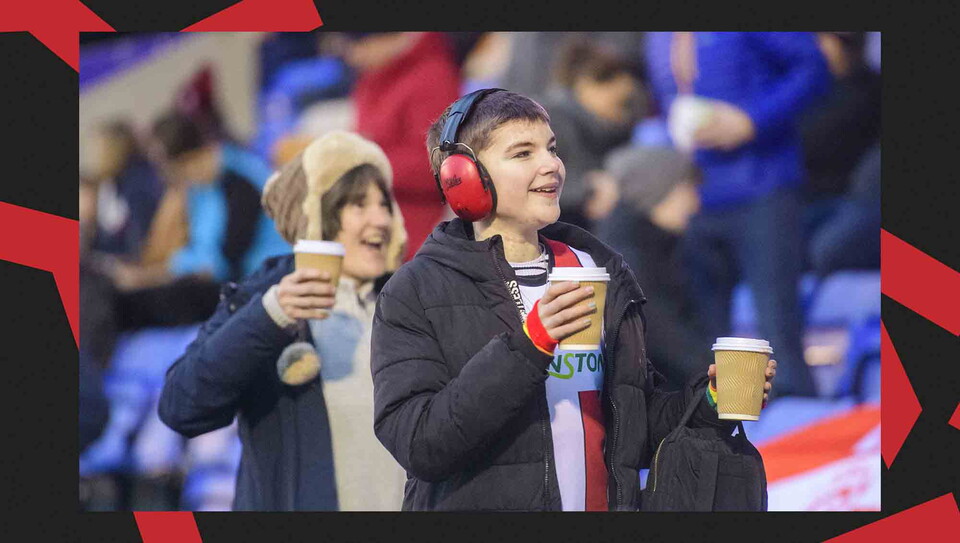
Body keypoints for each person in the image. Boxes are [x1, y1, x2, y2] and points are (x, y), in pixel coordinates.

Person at [371, 89, 777, 511]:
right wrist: (529, 347)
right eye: (522, 153)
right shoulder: (414, 290)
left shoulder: (595, 267)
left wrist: (709, 402)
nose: (551, 165)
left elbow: (631, 427)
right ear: (463, 177)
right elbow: (420, 443)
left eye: (551, 148)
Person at [158, 131, 408, 511]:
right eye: (358, 205)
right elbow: (182, 406)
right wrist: (269, 317)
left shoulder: (411, 305)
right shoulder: (260, 302)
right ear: (314, 214)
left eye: (384, 204)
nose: (381, 220)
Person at [645, 32, 830, 398]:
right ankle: (719, 438)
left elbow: (814, 69)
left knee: (778, 332)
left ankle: (802, 436)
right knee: (705, 341)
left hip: (762, 186)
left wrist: (753, 120)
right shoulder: (657, 37)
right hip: (693, 196)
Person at [595, 146, 713, 391]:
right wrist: (721, 376)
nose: (695, 204)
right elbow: (663, 336)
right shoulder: (626, 257)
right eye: (688, 190)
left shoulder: (661, 244)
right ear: (657, 190)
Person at [345, 32, 462, 260]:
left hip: (412, 236)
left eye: (357, 45)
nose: (352, 56)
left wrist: (363, 159)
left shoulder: (433, 77)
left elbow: (436, 165)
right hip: (374, 226)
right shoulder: (373, 77)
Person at [540, 39, 645, 231]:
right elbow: (526, 182)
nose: (623, 111)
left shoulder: (607, 131)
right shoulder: (550, 123)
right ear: (586, 85)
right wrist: (587, 189)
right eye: (620, 102)